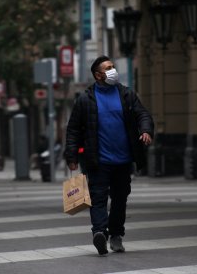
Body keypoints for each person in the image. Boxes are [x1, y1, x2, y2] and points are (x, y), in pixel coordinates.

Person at [64, 55, 154, 255]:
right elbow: (73, 130)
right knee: (98, 198)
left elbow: (143, 114)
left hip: (123, 160)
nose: (113, 70)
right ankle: (99, 233)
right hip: (98, 160)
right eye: (108, 68)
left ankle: (115, 235)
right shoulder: (85, 100)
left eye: (113, 66)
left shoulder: (126, 94)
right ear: (98, 75)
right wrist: (71, 156)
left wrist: (146, 130)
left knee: (120, 198)